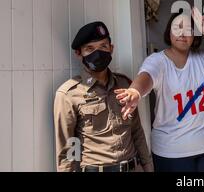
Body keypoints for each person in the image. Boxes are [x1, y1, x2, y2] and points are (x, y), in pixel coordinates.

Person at [115, 8, 204, 172]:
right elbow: (146, 77)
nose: (183, 33)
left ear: (194, 37)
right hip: (171, 153)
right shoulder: (158, 61)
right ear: (168, 32)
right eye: (177, 27)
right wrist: (135, 91)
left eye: (189, 29)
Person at [53, 21, 153, 172]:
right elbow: (67, 149)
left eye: (103, 46)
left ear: (111, 49)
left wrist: (148, 167)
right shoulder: (68, 94)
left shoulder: (125, 84)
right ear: (79, 54)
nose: (98, 53)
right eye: (90, 49)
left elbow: (137, 131)